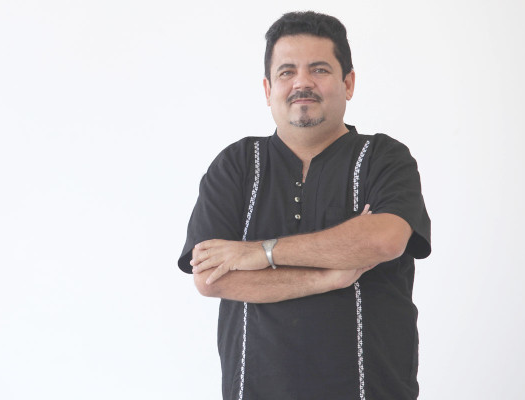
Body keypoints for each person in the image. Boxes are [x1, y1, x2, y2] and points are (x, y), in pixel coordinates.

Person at [178, 11, 431, 400]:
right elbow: (212, 278)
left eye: (319, 70)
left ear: (348, 83)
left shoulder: (383, 157)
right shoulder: (237, 165)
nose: (302, 83)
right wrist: (327, 277)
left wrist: (260, 253)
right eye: (287, 72)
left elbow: (384, 239)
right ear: (268, 89)